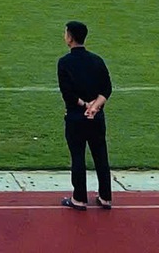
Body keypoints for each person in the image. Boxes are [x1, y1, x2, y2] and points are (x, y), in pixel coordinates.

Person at [57, 20, 113, 210]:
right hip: (96, 118)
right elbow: (107, 88)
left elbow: (68, 93)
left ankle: (79, 198)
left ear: (70, 37)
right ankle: (105, 197)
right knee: (101, 156)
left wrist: (84, 105)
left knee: (78, 157)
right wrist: (95, 106)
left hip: (75, 118)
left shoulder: (64, 63)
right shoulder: (97, 60)